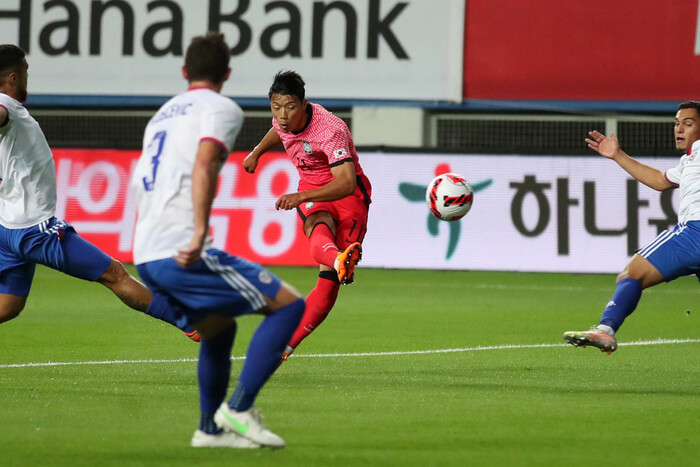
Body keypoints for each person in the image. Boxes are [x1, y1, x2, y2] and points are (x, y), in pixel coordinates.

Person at [131, 33, 305, 449]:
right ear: (227, 73)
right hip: (181, 248)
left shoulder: (163, 114)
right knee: (289, 305)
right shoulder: (221, 107)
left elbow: (141, 179)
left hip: (147, 249)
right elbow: (207, 161)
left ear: (183, 71)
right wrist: (196, 232)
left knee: (218, 329)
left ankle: (209, 431)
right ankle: (239, 409)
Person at [0, 44, 198, 340]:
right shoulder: (8, 107)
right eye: (26, 71)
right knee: (115, 274)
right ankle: (191, 322)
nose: (29, 77)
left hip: (7, 227)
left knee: (9, 305)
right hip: (34, 230)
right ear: (14, 77)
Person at [243, 70, 372, 360]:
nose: (283, 115)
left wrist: (300, 196)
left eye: (289, 107)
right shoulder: (282, 120)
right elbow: (278, 129)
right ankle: (339, 258)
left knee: (328, 283)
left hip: (349, 197)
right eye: (276, 107)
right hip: (313, 191)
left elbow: (346, 182)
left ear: (304, 104)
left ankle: (289, 343)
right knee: (317, 226)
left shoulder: (330, 129)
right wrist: (257, 152)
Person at [564, 100, 700, 354]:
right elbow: (660, 181)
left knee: (631, 274)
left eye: (688, 123)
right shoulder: (689, 161)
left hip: (695, 235)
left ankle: (605, 330)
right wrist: (618, 155)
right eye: (677, 123)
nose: (679, 129)